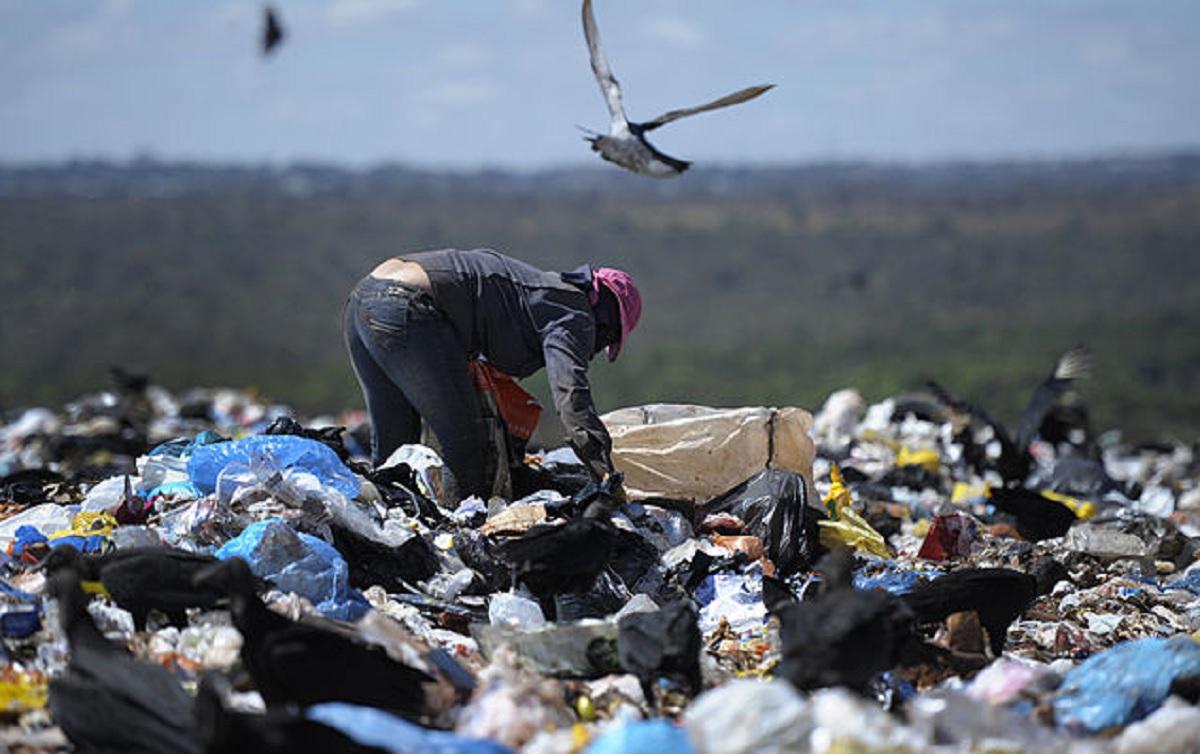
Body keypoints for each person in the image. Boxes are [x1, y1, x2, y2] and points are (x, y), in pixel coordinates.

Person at [343, 248, 641, 499]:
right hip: (405, 307)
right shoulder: (576, 315)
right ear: (607, 319)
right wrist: (605, 476)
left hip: (364, 300)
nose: (594, 349)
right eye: (609, 337)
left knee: (394, 450)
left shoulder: (543, 294)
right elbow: (571, 398)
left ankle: (385, 530)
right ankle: (462, 531)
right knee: (466, 444)